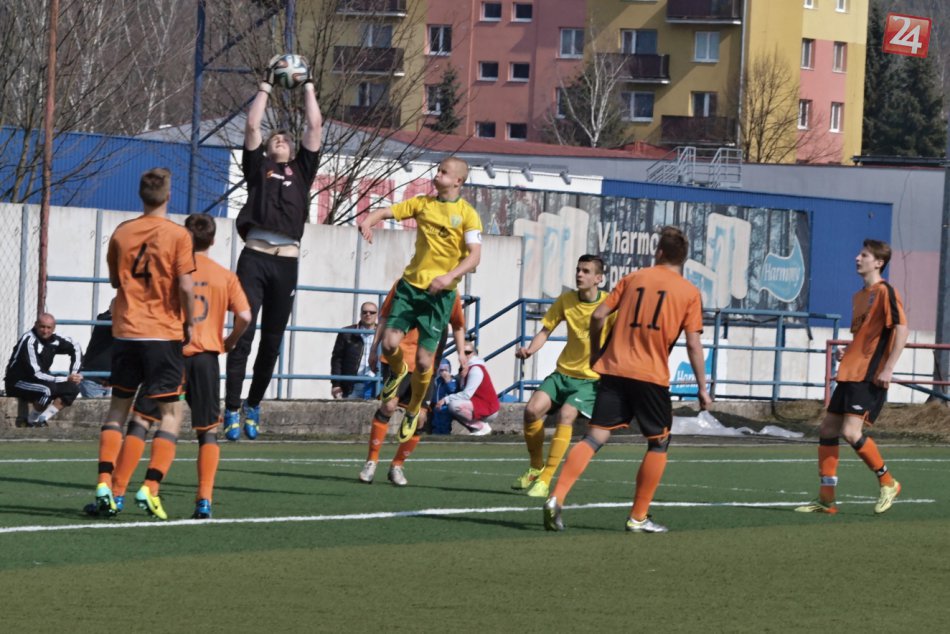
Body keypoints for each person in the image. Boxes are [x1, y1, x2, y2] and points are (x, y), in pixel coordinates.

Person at [543, 226, 712, 533]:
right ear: (683, 258)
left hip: (614, 369)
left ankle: (557, 497)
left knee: (594, 436)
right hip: (650, 375)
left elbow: (598, 316)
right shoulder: (689, 292)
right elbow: (693, 344)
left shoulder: (633, 279)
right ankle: (638, 517)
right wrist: (702, 387)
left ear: (658, 252)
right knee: (659, 441)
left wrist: (596, 353)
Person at [108, 214, 252, 520]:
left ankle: (118, 492)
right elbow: (246, 316)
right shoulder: (225, 276)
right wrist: (231, 340)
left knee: (141, 420)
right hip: (205, 357)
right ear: (213, 240)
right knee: (207, 431)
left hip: (169, 351)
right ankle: (204, 500)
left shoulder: (172, 271)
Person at [85, 167, 196, 521]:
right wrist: (190, 322)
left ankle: (105, 483)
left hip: (127, 330)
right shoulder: (178, 236)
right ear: (168, 195)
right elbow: (186, 287)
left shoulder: (122, 232)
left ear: (140, 195)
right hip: (162, 333)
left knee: (117, 409)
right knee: (171, 413)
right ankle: (150, 487)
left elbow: (117, 281)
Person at [224, 55, 323, 441]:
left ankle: (253, 404)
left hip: (287, 264)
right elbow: (252, 125)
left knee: (273, 340)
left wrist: (308, 83)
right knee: (243, 332)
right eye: (274, 140)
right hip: (255, 258)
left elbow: (314, 125)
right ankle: (231, 408)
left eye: (284, 139)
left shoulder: (302, 170)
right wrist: (266, 83)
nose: (279, 140)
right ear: (267, 149)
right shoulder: (258, 168)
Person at [357, 157, 482, 443]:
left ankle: (414, 410)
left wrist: (448, 277)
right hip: (411, 287)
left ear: (458, 181)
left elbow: (475, 256)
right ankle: (399, 370)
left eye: (443, 172)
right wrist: (369, 220)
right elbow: (388, 211)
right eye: (437, 170)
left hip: (440, 296)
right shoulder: (423, 203)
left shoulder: (467, 214)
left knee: (426, 363)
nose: (437, 175)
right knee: (390, 342)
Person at [796, 239, 908, 516]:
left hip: (868, 375)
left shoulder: (886, 292)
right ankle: (827, 499)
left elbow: (902, 330)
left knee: (850, 432)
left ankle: (888, 481)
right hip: (850, 372)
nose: (858, 258)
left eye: (864, 255)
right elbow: (865, 336)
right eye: (859, 254)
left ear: (879, 262)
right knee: (827, 431)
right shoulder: (859, 297)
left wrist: (888, 367)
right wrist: (850, 349)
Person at [511, 254, 613, 498]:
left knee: (566, 415)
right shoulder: (566, 300)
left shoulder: (609, 305)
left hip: (590, 379)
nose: (579, 274)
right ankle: (536, 468)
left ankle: (546, 481)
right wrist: (529, 350)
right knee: (531, 410)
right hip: (563, 373)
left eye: (586, 271)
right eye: (578, 270)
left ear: (599, 278)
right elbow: (545, 331)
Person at [358, 281, 466, 486]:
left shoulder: (450, 291)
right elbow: (385, 316)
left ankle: (397, 465)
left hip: (426, 364)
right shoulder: (404, 283)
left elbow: (458, 324)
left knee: (421, 418)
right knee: (389, 405)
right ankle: (371, 461)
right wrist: (374, 348)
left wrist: (461, 353)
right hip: (399, 359)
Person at [4, 312, 83, 427]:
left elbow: (75, 347)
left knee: (72, 389)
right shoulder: (29, 341)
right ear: (36, 325)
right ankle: (30, 421)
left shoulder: (55, 340)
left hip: (39, 380)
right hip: (17, 382)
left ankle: (42, 419)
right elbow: (37, 373)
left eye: (49, 328)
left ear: (53, 328)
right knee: (47, 389)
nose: (45, 331)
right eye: (42, 327)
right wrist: (66, 378)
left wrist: (75, 374)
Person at [437, 341, 498, 435]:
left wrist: (445, 399)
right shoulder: (466, 369)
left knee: (454, 405)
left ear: (474, 353)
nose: (464, 356)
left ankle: (481, 427)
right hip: (477, 404)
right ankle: (477, 430)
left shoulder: (475, 370)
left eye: (467, 352)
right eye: (462, 353)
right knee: (451, 406)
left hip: (488, 408)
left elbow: (466, 395)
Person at [330, 302, 379, 399]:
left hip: (375, 384)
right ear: (360, 314)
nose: (368, 314)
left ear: (377, 315)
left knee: (375, 413)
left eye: (372, 312)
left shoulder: (383, 334)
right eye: (364, 312)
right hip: (352, 384)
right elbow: (337, 359)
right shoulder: (347, 332)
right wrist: (336, 384)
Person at [79, 302, 113, 399]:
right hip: (92, 380)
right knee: (97, 412)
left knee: (106, 413)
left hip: (108, 381)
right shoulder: (104, 319)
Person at [430, 358, 458, 435]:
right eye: (441, 370)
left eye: (445, 370)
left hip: (446, 406)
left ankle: (445, 433)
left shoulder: (452, 380)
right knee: (436, 421)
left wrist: (448, 380)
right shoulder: (437, 381)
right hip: (436, 405)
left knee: (444, 421)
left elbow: (453, 390)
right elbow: (433, 391)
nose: (443, 372)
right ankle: (435, 432)